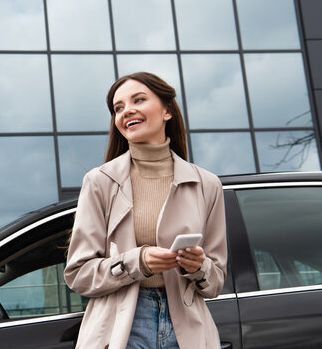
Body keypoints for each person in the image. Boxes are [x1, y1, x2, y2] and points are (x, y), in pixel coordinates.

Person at [64, 72, 227, 349]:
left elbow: (216, 282)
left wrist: (198, 266)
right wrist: (137, 263)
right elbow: (78, 273)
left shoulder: (207, 184)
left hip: (188, 328)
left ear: (166, 111)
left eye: (138, 100)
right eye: (118, 108)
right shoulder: (99, 182)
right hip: (121, 328)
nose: (127, 111)